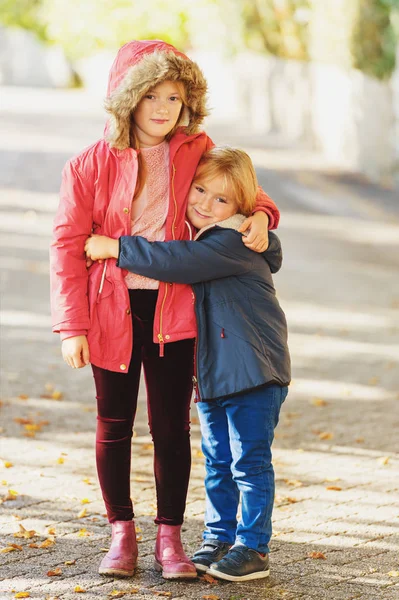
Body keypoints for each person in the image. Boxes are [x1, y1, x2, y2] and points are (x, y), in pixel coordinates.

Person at [50, 40, 280, 580]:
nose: (161, 108)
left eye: (174, 97)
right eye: (150, 94)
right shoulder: (89, 164)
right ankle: (122, 535)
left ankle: (170, 541)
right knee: (113, 425)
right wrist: (71, 326)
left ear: (188, 104)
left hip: (175, 309)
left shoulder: (196, 149)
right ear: (127, 98)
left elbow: (248, 191)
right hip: (109, 309)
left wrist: (263, 215)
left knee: (171, 428)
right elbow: (67, 246)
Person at [84, 146, 291, 582]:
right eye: (199, 189)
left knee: (249, 463)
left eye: (221, 200)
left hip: (254, 372)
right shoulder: (213, 235)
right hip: (216, 375)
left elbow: (174, 262)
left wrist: (114, 247)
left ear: (241, 208)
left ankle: (253, 547)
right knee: (217, 460)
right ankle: (219, 538)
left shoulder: (231, 241)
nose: (204, 203)